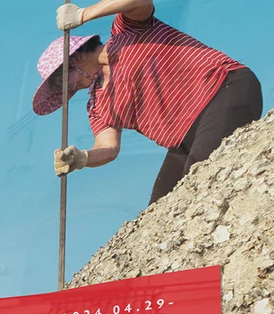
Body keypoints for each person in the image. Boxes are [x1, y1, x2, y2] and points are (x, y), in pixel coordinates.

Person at [34, 1, 261, 206]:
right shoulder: (97, 104)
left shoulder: (127, 31)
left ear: (75, 57)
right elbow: (108, 147)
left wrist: (82, 15)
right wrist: (82, 158)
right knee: (160, 210)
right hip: (185, 139)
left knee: (201, 177)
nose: (67, 89)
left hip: (223, 89)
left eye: (63, 81)